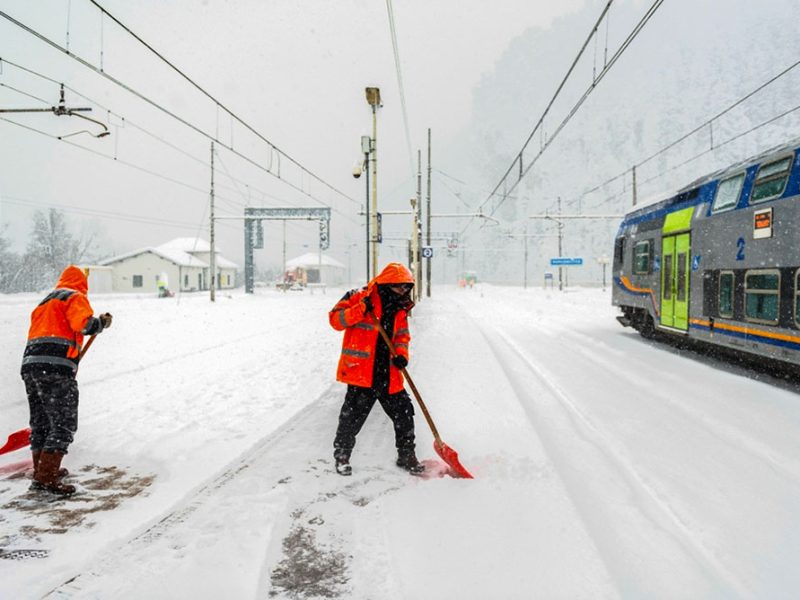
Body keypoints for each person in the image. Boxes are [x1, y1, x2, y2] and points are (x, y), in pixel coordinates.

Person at [20, 265, 113, 496]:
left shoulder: (45, 301)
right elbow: (83, 324)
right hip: (55, 368)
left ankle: (42, 469)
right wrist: (100, 323)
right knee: (63, 423)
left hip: (31, 366)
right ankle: (46, 479)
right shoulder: (75, 296)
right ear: (82, 283)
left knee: (41, 422)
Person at [329, 262, 424, 476]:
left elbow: (401, 336)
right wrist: (360, 310)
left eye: (407, 287)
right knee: (351, 418)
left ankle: (406, 455)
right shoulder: (357, 296)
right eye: (400, 286)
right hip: (362, 373)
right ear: (387, 283)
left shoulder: (400, 306)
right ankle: (342, 456)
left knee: (404, 413)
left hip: (388, 373)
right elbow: (335, 320)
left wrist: (401, 355)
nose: (404, 291)